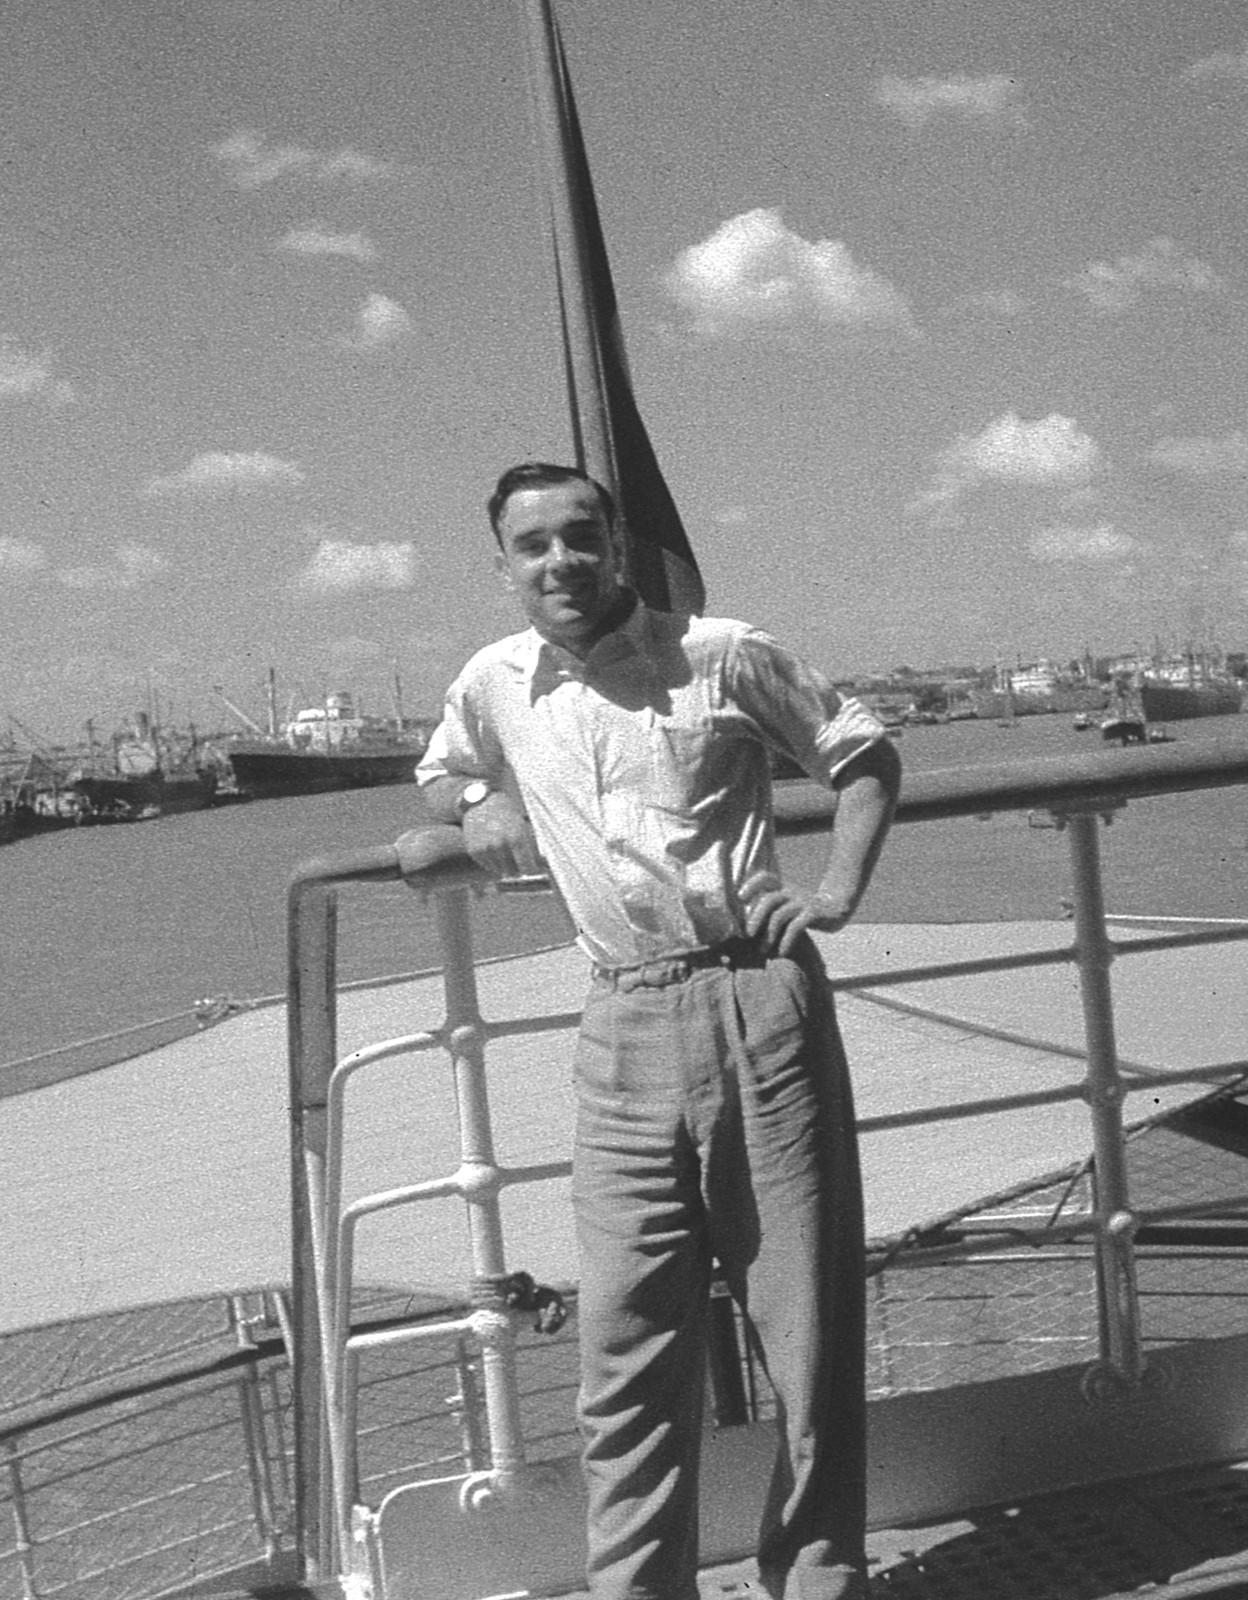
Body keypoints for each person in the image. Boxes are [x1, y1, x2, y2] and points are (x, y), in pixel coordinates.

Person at [416, 461, 901, 1600]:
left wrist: (831, 891)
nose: (559, 562)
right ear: (503, 568)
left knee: (807, 1332)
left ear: (617, 545)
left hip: (757, 1002)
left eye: (579, 537)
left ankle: (820, 1580)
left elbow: (863, 753)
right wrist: (480, 807)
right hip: (619, 1017)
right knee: (623, 1346)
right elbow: (443, 776)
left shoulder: (721, 653)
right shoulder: (494, 683)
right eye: (531, 545)